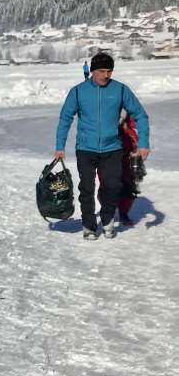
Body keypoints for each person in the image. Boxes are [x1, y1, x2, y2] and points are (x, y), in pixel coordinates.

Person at [55, 52, 150, 240]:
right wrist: (60, 146)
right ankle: (89, 226)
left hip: (112, 148)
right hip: (86, 148)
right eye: (101, 71)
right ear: (92, 71)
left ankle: (107, 220)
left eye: (109, 71)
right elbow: (65, 118)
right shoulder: (78, 91)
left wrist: (144, 143)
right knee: (87, 188)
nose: (106, 75)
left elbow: (140, 115)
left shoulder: (120, 90)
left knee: (113, 186)